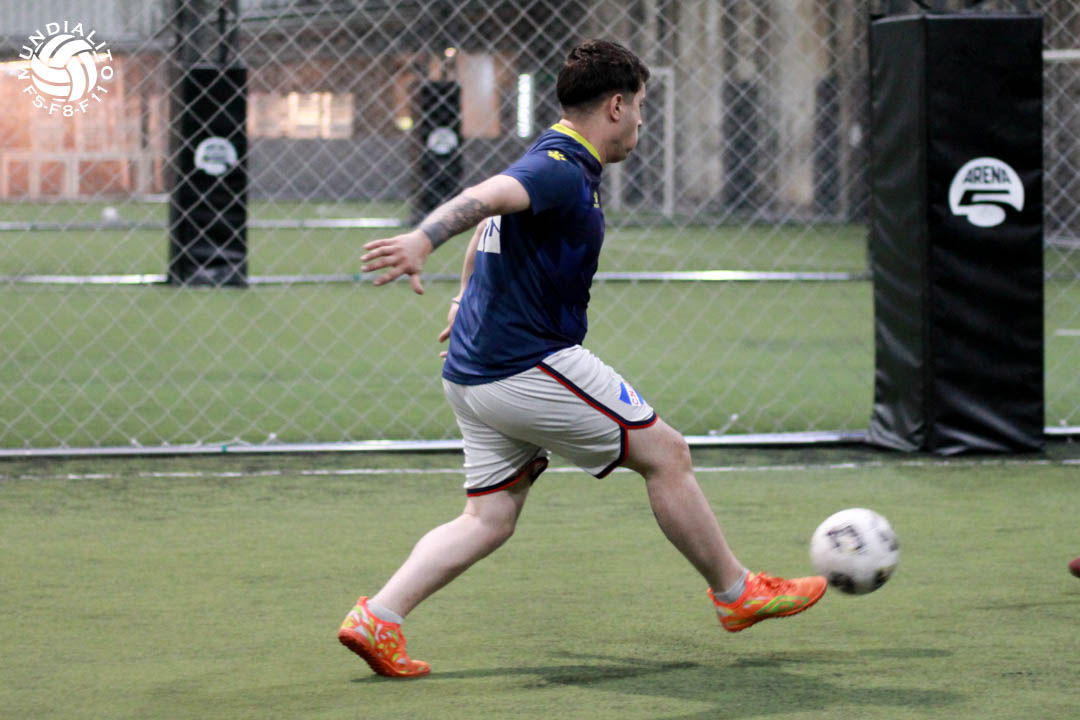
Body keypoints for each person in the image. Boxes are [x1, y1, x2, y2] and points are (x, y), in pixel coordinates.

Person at [337, 39, 826, 679]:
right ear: (616, 106)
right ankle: (737, 594)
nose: (644, 118)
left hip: (473, 375)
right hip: (525, 365)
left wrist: (463, 299)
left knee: (488, 517)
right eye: (641, 104)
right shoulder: (561, 169)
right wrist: (423, 239)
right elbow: (484, 199)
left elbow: (492, 227)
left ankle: (379, 617)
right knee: (666, 454)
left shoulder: (552, 154)